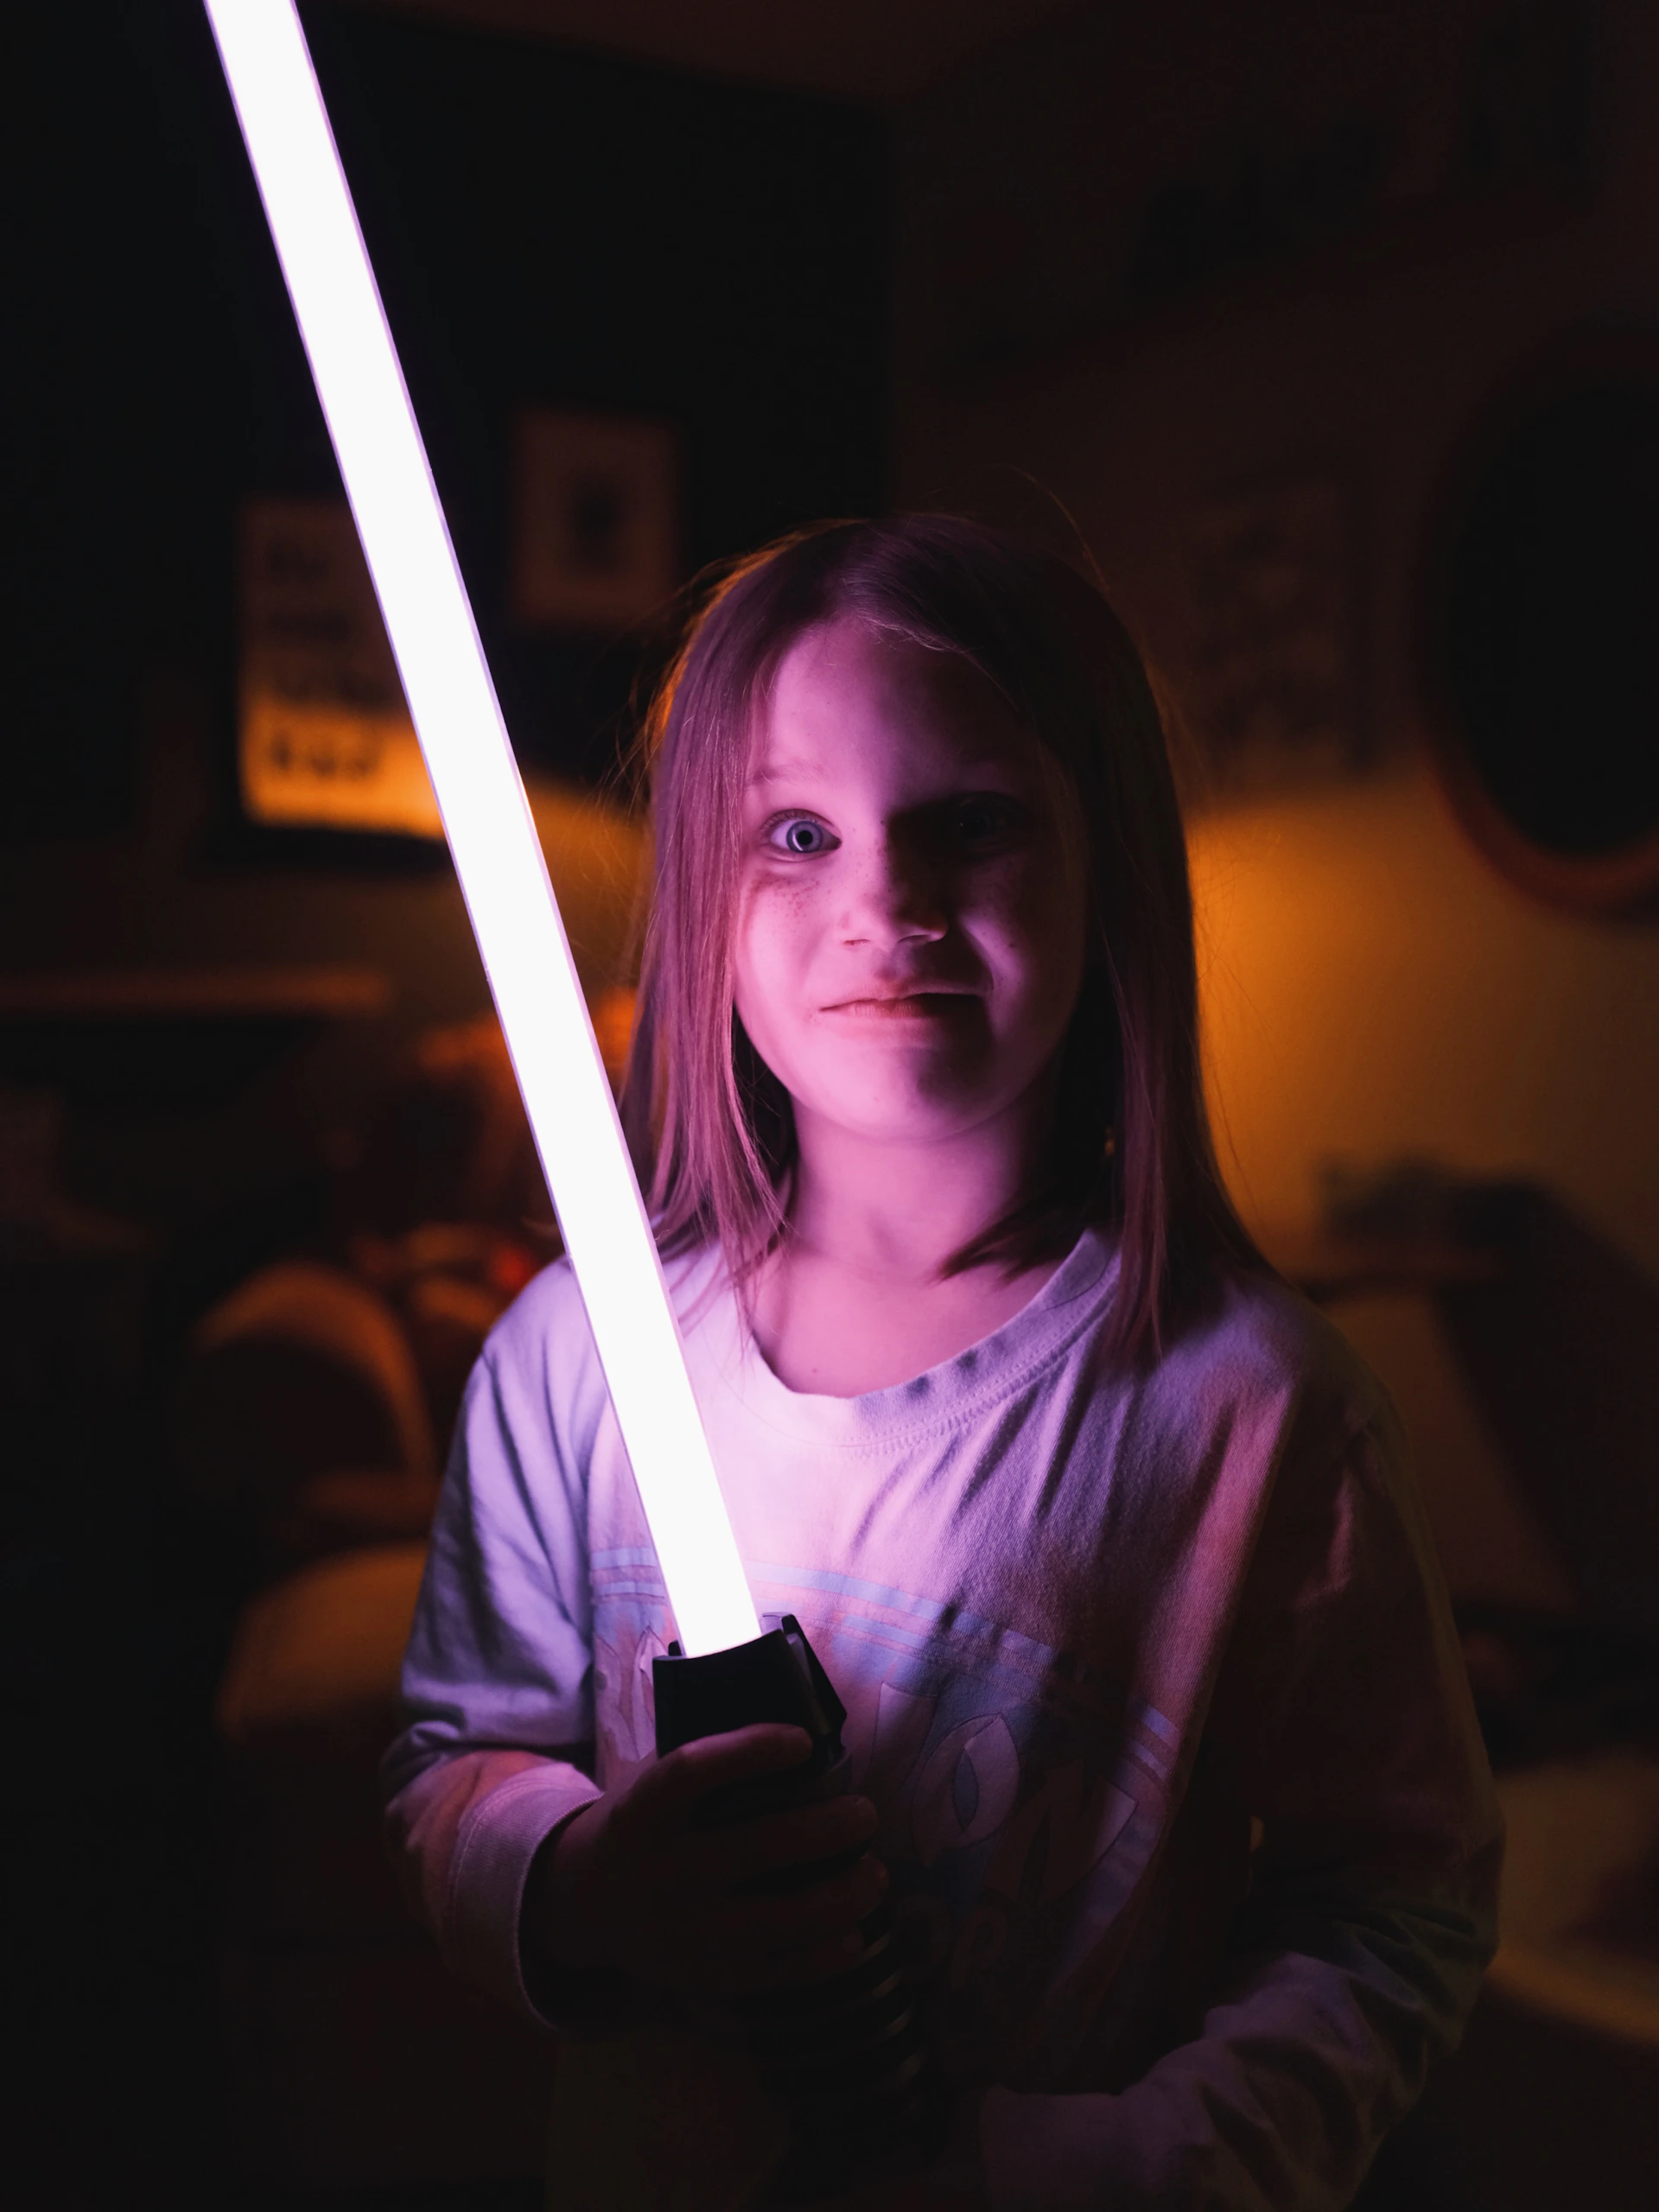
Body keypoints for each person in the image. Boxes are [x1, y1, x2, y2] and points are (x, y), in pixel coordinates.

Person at [382, 517, 1500, 2209]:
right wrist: (587, 1875)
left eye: (968, 820)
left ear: (1106, 861)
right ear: (704, 889)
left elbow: (1398, 1889)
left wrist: (1140, 2163)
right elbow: (451, 1756)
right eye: (800, 831)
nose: (883, 902)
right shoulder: (572, 1359)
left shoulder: (1258, 1413)